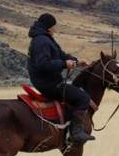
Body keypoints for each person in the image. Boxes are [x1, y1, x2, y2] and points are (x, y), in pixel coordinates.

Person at [27, 13, 94, 145]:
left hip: (49, 81)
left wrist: (76, 61)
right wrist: (64, 64)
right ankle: (75, 133)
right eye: (54, 27)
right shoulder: (42, 41)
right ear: (49, 27)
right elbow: (43, 64)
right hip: (48, 84)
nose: (55, 29)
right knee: (83, 98)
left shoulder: (45, 38)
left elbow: (61, 55)